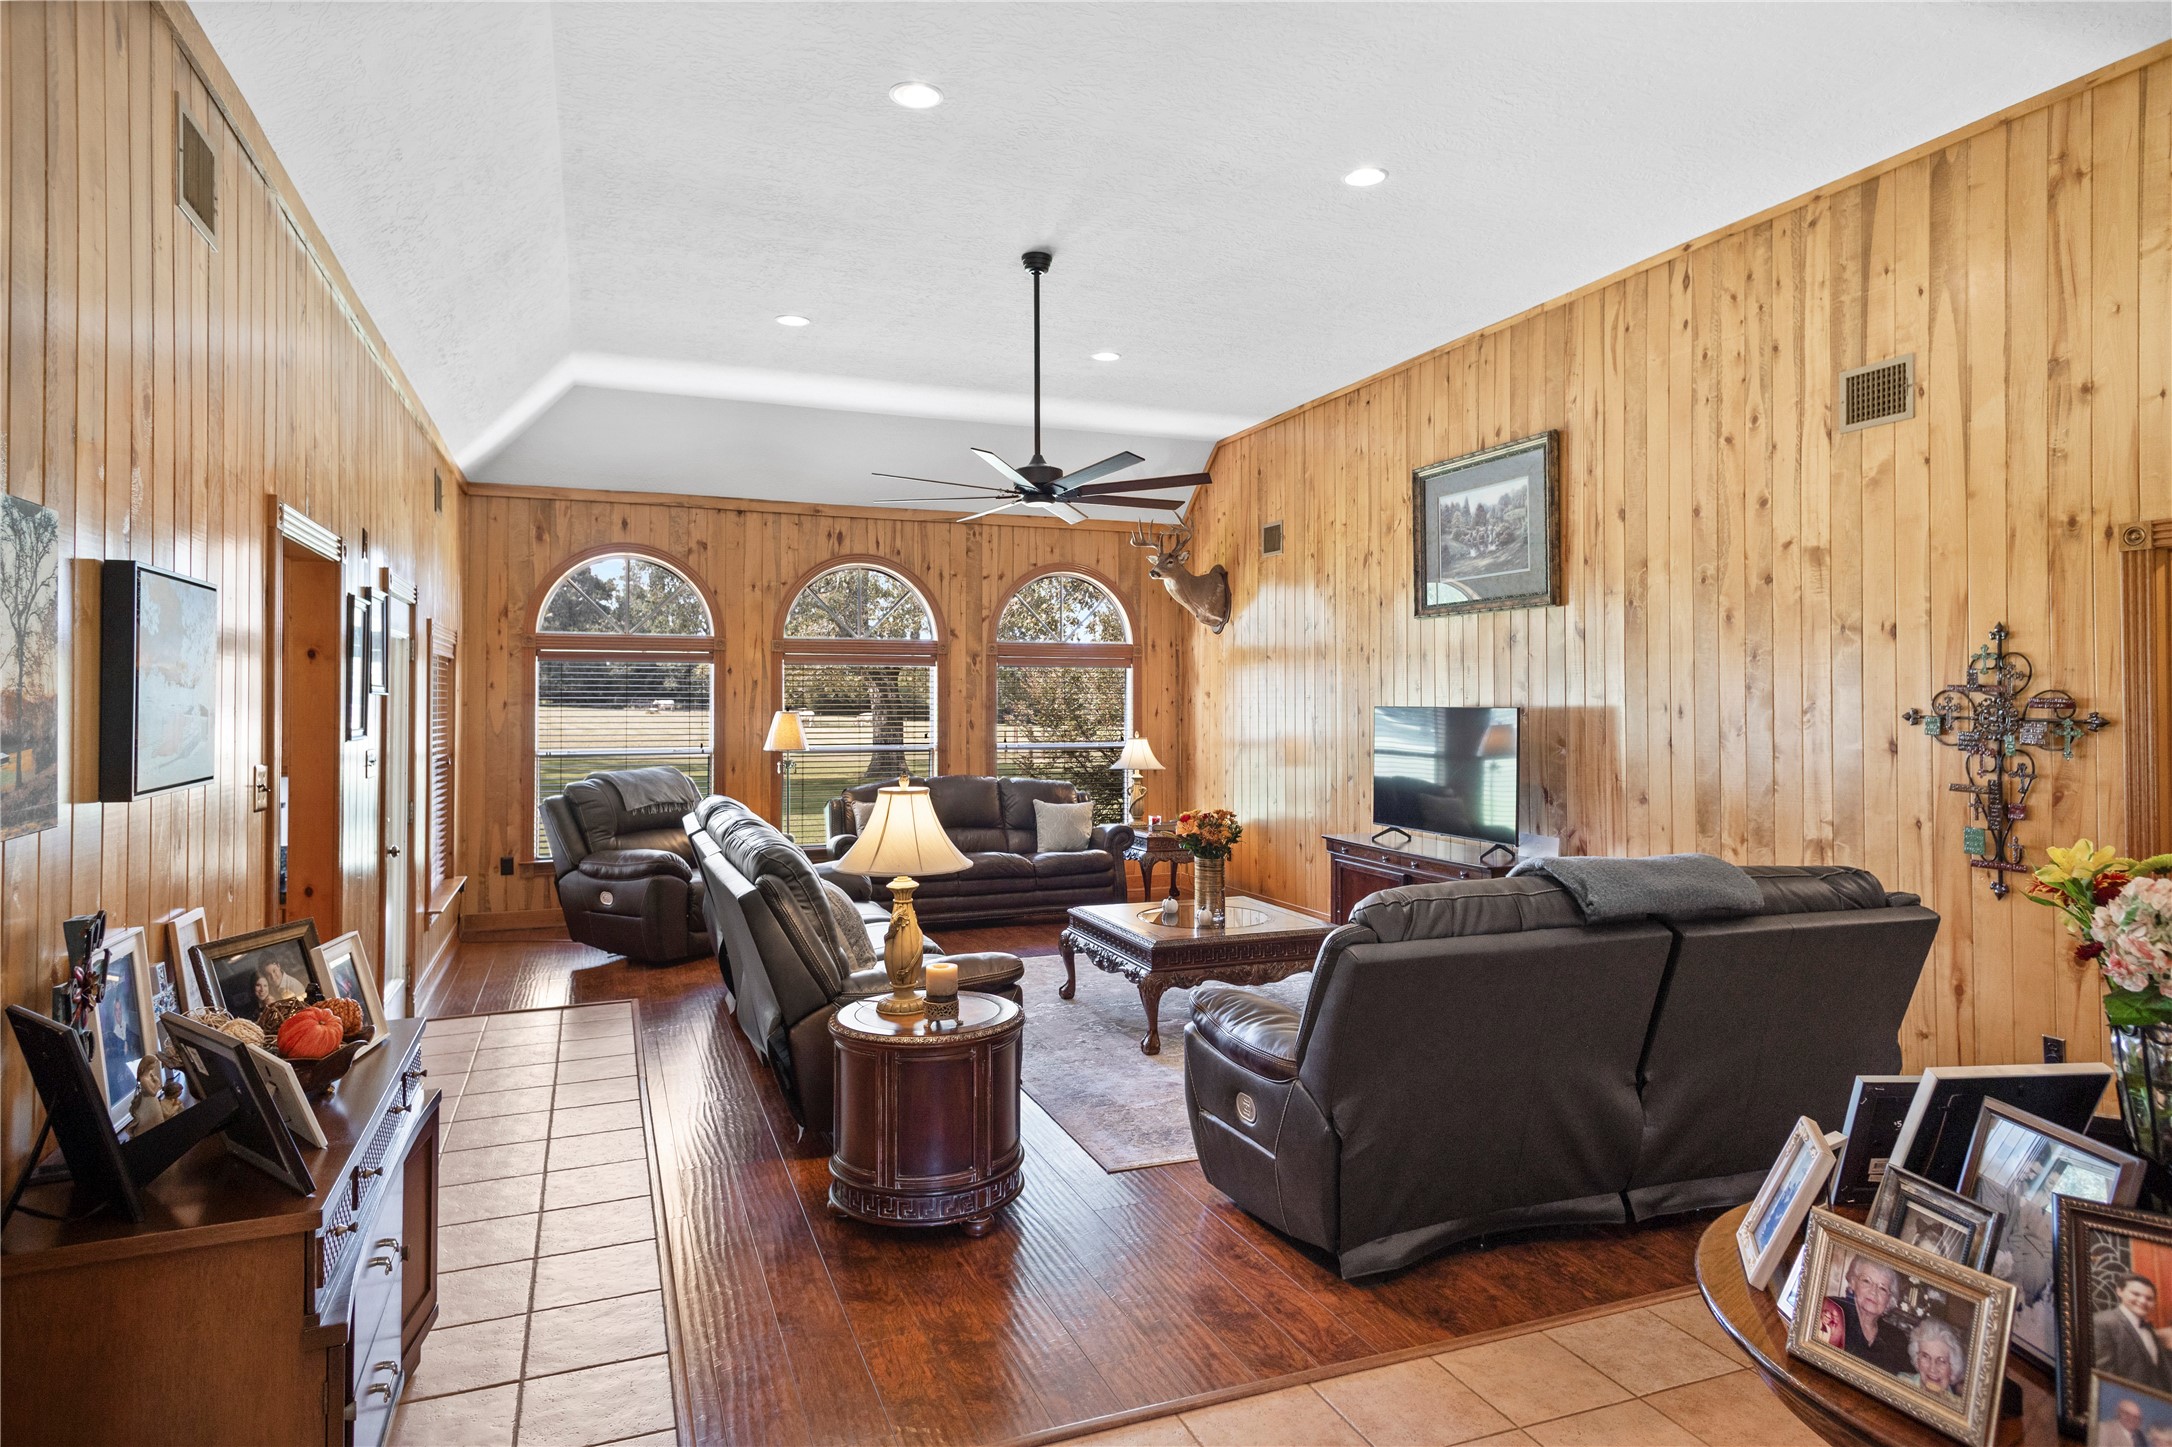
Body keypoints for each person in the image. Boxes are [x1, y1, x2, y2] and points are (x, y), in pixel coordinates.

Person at [1819, 1256, 1915, 1375]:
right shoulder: (1831, 1310)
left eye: (1883, 1288)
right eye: (1866, 1281)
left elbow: (1905, 1380)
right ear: (1853, 1283)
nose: (1873, 1291)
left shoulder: (1896, 1338)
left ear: (1889, 1300)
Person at [2095, 1275, 2172, 1393]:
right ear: (2120, 1291)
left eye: (2149, 1298)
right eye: (2136, 1294)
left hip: (2154, 1399)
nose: (2143, 1301)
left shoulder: (2149, 1329)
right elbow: (2104, 1373)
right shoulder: (2103, 1322)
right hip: (2124, 1399)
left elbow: (2158, 1370)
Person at [1899, 1317, 1966, 1402]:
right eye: (1925, 1357)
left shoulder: (1956, 1405)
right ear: (1917, 1360)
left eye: (1941, 1361)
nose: (1932, 1369)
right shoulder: (1900, 1384)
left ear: (1953, 1368)